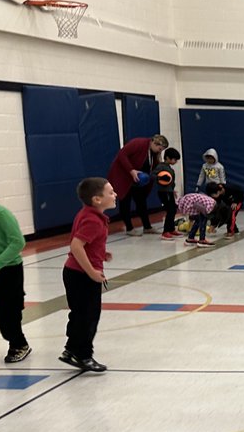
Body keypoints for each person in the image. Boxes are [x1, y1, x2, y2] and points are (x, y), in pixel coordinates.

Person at [59, 178, 116, 373]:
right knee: (88, 316)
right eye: (110, 192)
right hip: (81, 275)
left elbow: (87, 244)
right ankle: (83, 354)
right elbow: (76, 246)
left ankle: (71, 349)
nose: (115, 195)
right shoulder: (93, 220)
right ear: (97, 199)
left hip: (75, 273)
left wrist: (101, 253)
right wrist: (92, 272)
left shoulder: (89, 214)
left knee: (80, 314)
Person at [0, 201, 30, 363]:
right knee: (2, 312)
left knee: (8, 311)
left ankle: (19, 344)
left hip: (8, 269)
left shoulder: (0, 214)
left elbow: (18, 242)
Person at [107, 133, 166, 236]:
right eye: (159, 149)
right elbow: (122, 154)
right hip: (124, 176)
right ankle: (129, 228)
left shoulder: (153, 154)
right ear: (154, 143)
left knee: (141, 202)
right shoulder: (138, 143)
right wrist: (131, 170)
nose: (159, 151)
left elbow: (154, 168)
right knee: (125, 202)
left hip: (137, 180)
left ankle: (147, 227)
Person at [177, 183, 222, 247]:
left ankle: (190, 238)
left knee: (199, 219)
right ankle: (202, 240)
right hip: (188, 202)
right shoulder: (211, 204)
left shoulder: (209, 200)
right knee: (203, 220)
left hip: (187, 200)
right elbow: (197, 205)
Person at [153, 148, 182, 241]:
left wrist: (172, 190)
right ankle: (165, 232)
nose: (175, 161)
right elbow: (153, 175)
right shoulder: (161, 166)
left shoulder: (170, 168)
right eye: (174, 159)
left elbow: (170, 182)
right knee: (170, 210)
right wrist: (160, 177)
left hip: (169, 192)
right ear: (168, 158)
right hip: (163, 192)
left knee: (173, 210)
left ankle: (171, 229)